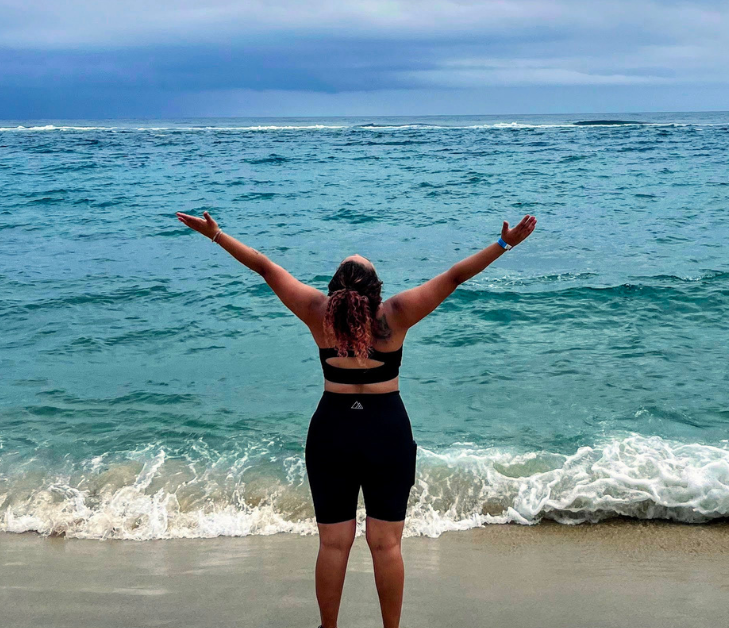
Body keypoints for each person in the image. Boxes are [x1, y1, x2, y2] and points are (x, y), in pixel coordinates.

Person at [175, 210, 538, 628]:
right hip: (386, 432)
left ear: (334, 289)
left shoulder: (317, 311)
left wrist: (217, 233)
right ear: (376, 291)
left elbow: (263, 266)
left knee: (334, 544)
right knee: (385, 545)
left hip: (332, 431)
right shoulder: (395, 314)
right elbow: (455, 277)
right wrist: (505, 244)